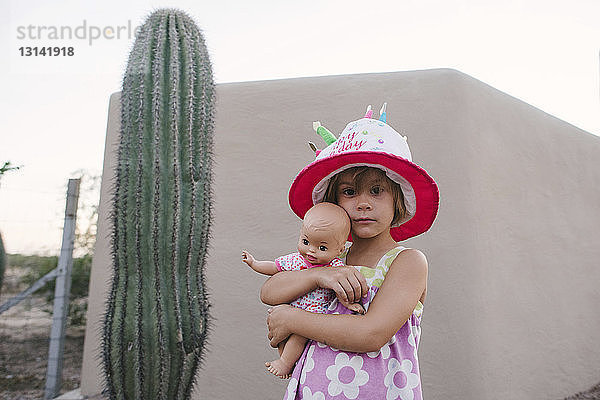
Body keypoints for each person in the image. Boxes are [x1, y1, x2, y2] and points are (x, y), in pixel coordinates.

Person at [262, 104, 440, 399]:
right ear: (332, 202)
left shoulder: (406, 262)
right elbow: (270, 291)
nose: (363, 203)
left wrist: (291, 319)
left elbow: (371, 334)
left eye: (376, 191)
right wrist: (320, 275)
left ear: (398, 200)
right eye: (348, 192)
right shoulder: (326, 259)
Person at [242, 202, 366, 379]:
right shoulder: (295, 260)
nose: (311, 251)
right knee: (282, 338)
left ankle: (285, 363)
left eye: (322, 248)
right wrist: (254, 263)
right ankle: (287, 363)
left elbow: (341, 290)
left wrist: (350, 304)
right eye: (306, 242)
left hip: (312, 313)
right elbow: (274, 268)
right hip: (291, 307)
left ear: (340, 250)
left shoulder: (336, 267)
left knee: (299, 336)